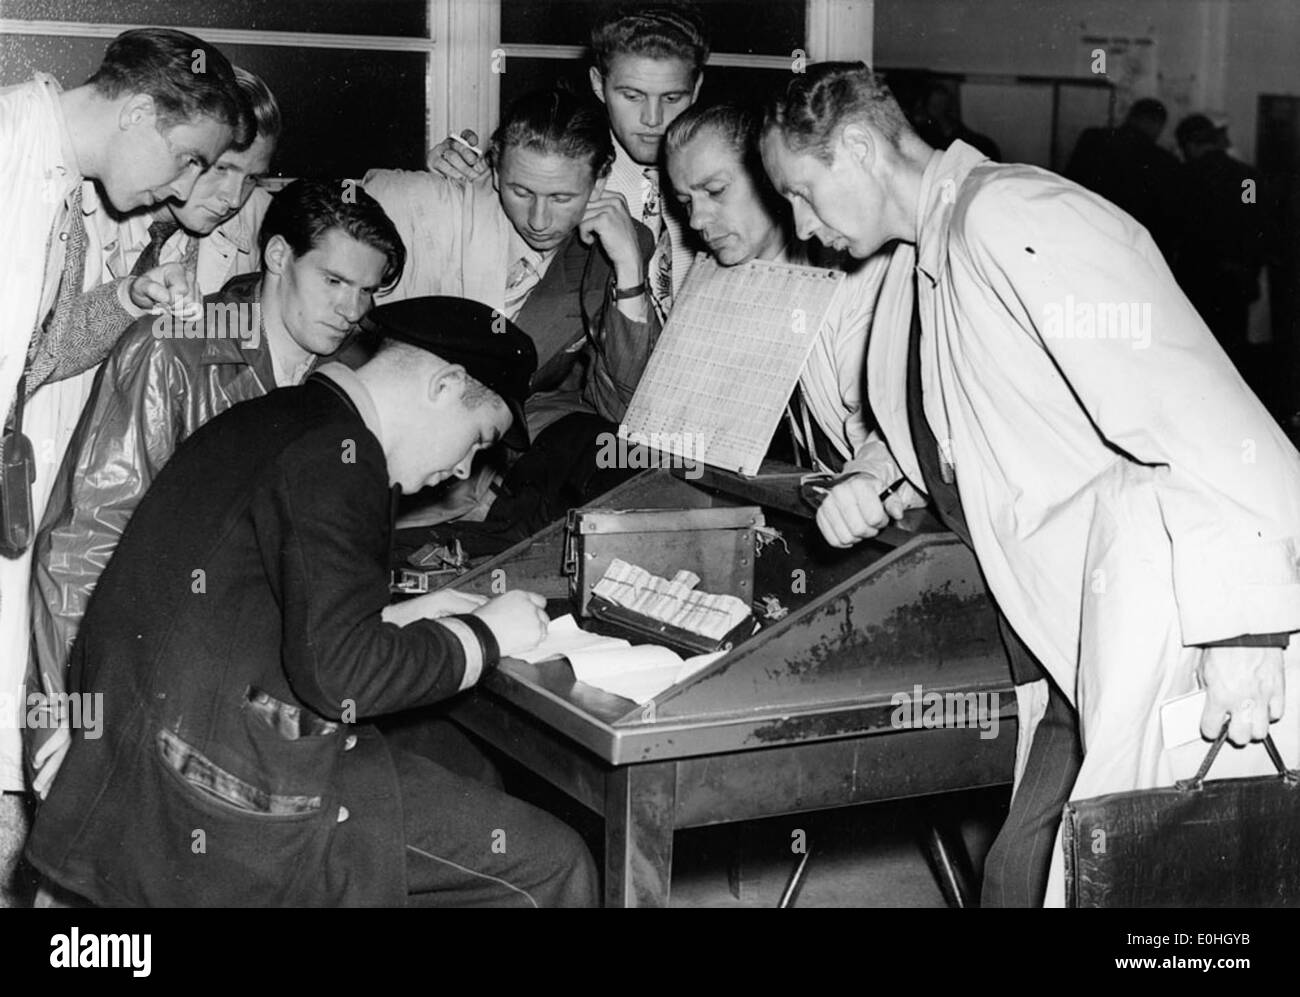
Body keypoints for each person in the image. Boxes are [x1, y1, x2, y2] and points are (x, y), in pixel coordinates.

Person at [760, 62, 1300, 907]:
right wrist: (881, 474)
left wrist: (1250, 634)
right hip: (1073, 639)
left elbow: (1211, 419)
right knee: (1037, 878)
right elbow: (968, 421)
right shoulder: (917, 266)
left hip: (1182, 619)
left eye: (801, 191)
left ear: (859, 147)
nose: (796, 223)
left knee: (1130, 889)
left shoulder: (1013, 215)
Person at [24, 296, 599, 907]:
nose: (462, 469)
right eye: (477, 438)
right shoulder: (342, 457)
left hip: (145, 760)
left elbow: (226, 608)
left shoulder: (276, 417)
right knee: (550, 862)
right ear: (444, 385)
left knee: (468, 772)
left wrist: (402, 617)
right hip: (222, 795)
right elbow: (340, 677)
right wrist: (488, 635)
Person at [27, 179, 404, 799]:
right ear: (279, 256)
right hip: (145, 684)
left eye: (366, 291)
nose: (351, 308)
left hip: (258, 704)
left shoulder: (350, 379)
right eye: (334, 281)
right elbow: (83, 542)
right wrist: (73, 716)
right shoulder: (175, 347)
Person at [0, 25, 246, 906]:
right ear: (140, 110)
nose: (184, 186)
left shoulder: (59, 189)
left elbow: (41, 352)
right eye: (185, 158)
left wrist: (127, 299)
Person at [363, 87, 658, 531]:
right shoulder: (442, 201)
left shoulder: (616, 244)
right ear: (496, 169)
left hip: (505, 458)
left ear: (600, 182)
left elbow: (626, 411)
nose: (539, 220)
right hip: (394, 442)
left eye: (562, 198)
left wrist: (630, 270)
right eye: (521, 191)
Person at [664, 101, 915, 513]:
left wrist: (863, 482)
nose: (695, 219)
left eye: (715, 190)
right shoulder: (723, 277)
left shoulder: (856, 274)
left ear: (770, 179)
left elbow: (892, 433)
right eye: (685, 200)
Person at [428, 2, 709, 323]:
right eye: (632, 96)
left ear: (696, 88)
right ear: (597, 84)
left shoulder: (722, 183)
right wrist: (447, 180)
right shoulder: (556, 183)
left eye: (672, 98)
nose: (653, 119)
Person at [1173, 114, 1272, 384]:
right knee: (1233, 350)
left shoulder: (1182, 176)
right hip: (1235, 278)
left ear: (1189, 145)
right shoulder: (1247, 178)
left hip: (1194, 275)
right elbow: (1256, 221)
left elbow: (1174, 227)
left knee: (1195, 347)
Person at [1066, 98, 1182, 258]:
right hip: (1133, 248)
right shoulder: (1165, 161)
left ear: (1130, 116)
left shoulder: (1092, 139)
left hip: (1088, 234)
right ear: (1158, 124)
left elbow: (1070, 183)